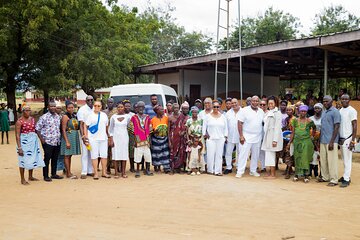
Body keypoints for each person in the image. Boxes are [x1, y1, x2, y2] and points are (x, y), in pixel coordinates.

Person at [15, 106, 45, 185]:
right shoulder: (19, 121)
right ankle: (22, 179)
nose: (28, 112)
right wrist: (19, 148)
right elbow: (17, 135)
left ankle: (30, 176)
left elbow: (36, 130)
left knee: (32, 158)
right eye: (26, 110)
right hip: (24, 142)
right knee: (23, 160)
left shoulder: (32, 119)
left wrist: (40, 138)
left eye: (29, 110)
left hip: (33, 141)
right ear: (23, 111)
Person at [236, 96, 264, 178]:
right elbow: (239, 123)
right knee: (243, 154)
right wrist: (241, 136)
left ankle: (253, 170)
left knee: (255, 155)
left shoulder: (261, 111)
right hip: (246, 136)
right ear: (250, 101)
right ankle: (240, 171)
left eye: (256, 101)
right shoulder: (244, 110)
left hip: (258, 136)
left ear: (258, 102)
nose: (255, 102)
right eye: (253, 101)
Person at [35, 101, 63, 182]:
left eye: (54, 106)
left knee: (55, 158)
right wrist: (42, 140)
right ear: (48, 107)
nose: (53, 108)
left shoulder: (57, 116)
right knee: (47, 158)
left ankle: (53, 174)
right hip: (47, 142)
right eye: (51, 106)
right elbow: (37, 129)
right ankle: (46, 175)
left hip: (56, 141)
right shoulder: (44, 117)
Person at [288, 105, 316, 183]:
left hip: (306, 142)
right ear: (299, 112)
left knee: (305, 158)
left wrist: (312, 136)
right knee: (297, 158)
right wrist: (290, 142)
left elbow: (314, 128)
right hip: (297, 142)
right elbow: (293, 132)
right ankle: (297, 174)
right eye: (301, 111)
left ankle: (306, 175)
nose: (303, 113)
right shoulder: (295, 121)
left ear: (306, 112)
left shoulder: (310, 121)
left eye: (304, 111)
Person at [84, 101, 110, 180]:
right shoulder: (90, 115)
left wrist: (108, 136)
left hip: (103, 138)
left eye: (98, 106)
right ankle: (95, 173)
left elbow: (106, 127)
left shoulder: (104, 115)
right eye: (95, 105)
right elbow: (85, 125)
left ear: (101, 106)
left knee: (104, 156)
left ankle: (104, 172)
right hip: (93, 139)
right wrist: (86, 136)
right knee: (94, 156)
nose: (97, 107)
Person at [318, 95, 341, 186]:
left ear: (332, 101)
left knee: (332, 161)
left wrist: (332, 141)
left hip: (331, 141)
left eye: (327, 101)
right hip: (323, 140)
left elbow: (337, 127)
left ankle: (334, 179)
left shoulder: (335, 112)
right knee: (324, 160)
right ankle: (325, 177)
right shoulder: (324, 111)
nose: (325, 103)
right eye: (324, 101)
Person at [202, 100, 228, 176]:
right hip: (211, 139)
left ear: (220, 107)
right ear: (212, 107)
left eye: (217, 107)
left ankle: (218, 171)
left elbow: (226, 128)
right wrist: (205, 135)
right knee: (210, 154)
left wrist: (225, 136)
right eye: (214, 107)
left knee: (219, 155)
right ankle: (210, 170)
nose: (216, 108)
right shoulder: (208, 116)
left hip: (220, 138)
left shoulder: (223, 117)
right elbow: (204, 127)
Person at [128, 101, 153, 178]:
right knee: (138, 156)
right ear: (137, 108)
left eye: (142, 107)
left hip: (146, 140)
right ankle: (138, 171)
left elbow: (150, 128)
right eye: (139, 107)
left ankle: (148, 170)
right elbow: (130, 128)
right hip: (138, 140)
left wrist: (149, 139)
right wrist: (135, 139)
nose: (141, 108)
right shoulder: (134, 117)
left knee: (147, 155)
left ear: (144, 108)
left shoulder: (147, 117)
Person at [261, 96, 283, 179]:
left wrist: (275, 140)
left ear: (275, 104)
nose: (270, 105)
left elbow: (277, 127)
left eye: (272, 103)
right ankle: (269, 172)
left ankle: (273, 174)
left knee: (271, 155)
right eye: (269, 103)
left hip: (273, 136)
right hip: (267, 136)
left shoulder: (277, 113)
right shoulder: (268, 112)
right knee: (268, 154)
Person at [338, 94, 357, 187]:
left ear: (349, 100)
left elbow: (355, 125)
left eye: (346, 99)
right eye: (343, 99)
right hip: (341, 139)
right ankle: (346, 176)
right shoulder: (340, 110)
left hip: (348, 138)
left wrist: (353, 141)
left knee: (348, 159)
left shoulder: (352, 110)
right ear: (340, 100)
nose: (344, 100)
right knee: (344, 159)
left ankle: (346, 179)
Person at [109, 102, 131, 178]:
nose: (120, 108)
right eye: (118, 107)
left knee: (124, 154)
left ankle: (123, 172)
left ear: (124, 108)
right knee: (115, 154)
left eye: (121, 107)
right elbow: (110, 129)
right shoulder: (113, 117)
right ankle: (116, 173)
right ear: (116, 108)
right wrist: (111, 139)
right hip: (115, 138)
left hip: (124, 138)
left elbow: (129, 127)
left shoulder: (128, 117)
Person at [60, 102, 81, 179]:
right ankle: (68, 173)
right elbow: (63, 129)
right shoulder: (65, 117)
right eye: (69, 108)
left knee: (70, 155)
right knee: (67, 155)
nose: (71, 109)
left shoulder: (74, 115)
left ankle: (67, 170)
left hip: (74, 136)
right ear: (66, 108)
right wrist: (67, 141)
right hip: (68, 136)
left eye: (72, 107)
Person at [169, 102, 189, 173]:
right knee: (173, 152)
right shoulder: (170, 117)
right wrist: (169, 141)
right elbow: (169, 130)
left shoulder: (182, 116)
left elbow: (185, 127)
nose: (176, 109)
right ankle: (172, 168)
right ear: (172, 109)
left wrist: (183, 132)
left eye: (177, 108)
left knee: (181, 152)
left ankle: (179, 168)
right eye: (174, 108)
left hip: (181, 137)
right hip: (173, 137)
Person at [77, 95, 94, 179]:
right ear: (85, 101)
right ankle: (84, 171)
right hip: (85, 133)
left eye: (92, 100)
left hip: (93, 134)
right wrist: (83, 135)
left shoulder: (94, 109)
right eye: (88, 100)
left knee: (91, 152)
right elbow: (81, 124)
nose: (90, 101)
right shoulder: (82, 110)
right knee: (85, 153)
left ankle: (90, 171)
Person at [150, 105, 171, 173]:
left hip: (164, 138)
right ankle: (157, 166)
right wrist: (154, 132)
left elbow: (168, 129)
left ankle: (166, 167)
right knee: (157, 154)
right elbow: (150, 131)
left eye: (163, 109)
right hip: (156, 139)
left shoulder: (166, 118)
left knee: (165, 153)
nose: (163, 111)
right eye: (161, 110)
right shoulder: (152, 120)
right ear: (157, 111)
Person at [224, 98, 241, 174]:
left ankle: (238, 167)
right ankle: (228, 167)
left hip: (240, 136)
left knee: (239, 152)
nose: (234, 104)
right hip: (230, 136)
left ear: (238, 103)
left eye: (235, 103)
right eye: (232, 103)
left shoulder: (243, 112)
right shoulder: (228, 113)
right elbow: (225, 126)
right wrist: (226, 136)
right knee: (228, 152)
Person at [186, 106, 205, 172]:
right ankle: (190, 168)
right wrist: (188, 140)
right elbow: (186, 131)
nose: (194, 113)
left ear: (198, 113)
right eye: (193, 112)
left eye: (196, 112)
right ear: (191, 113)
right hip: (191, 139)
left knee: (200, 153)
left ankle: (199, 168)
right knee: (191, 154)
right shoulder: (189, 121)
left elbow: (203, 130)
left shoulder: (201, 120)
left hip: (199, 139)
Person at [103, 97, 117, 175]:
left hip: (114, 134)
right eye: (109, 102)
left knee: (114, 151)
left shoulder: (116, 111)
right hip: (105, 134)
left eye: (111, 102)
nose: (110, 104)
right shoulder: (103, 112)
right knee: (107, 152)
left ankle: (116, 168)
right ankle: (107, 168)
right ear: (107, 103)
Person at [283, 105, 296, 179]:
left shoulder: (294, 119)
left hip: (292, 139)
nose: (288, 111)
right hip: (286, 137)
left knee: (289, 154)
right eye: (287, 110)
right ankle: (289, 169)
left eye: (290, 110)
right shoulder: (286, 119)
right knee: (286, 154)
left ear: (293, 111)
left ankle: (288, 171)